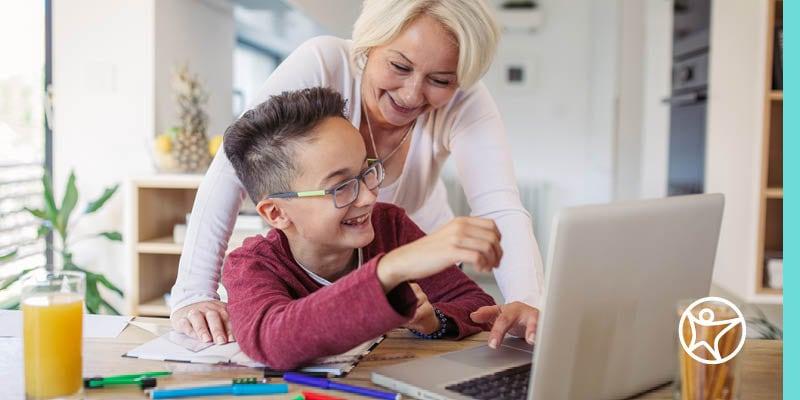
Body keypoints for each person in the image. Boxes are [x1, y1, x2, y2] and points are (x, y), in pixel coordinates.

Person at [170, 0, 544, 350]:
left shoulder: (398, 219)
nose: (413, 95)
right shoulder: (325, 61)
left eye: (441, 80)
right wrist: (194, 293)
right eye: (399, 67)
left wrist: (527, 302)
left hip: (414, 249)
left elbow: (500, 206)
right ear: (369, 45)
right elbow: (234, 165)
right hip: (331, 257)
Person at [221, 87, 498, 369]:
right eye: (341, 187)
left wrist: (434, 320)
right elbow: (273, 341)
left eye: (366, 173)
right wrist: (390, 269)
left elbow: (477, 305)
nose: (368, 197)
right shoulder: (251, 265)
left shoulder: (389, 225)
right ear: (276, 212)